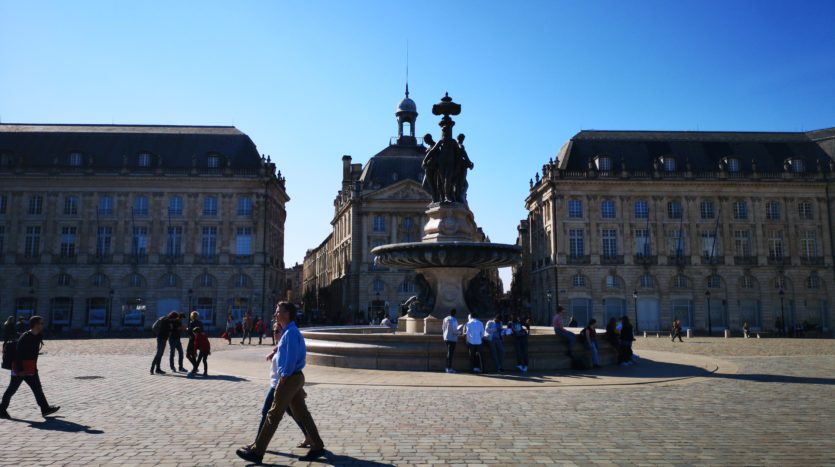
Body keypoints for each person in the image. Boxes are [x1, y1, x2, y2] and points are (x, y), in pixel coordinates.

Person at [236, 302, 325, 464]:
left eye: (278, 311)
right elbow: (288, 350)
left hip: (289, 378)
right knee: (302, 413)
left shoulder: (290, 333)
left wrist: (284, 377)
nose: (276, 314)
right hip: (295, 377)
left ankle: (257, 451)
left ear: (287, 314)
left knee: (273, 414)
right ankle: (317, 445)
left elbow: (290, 357)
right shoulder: (289, 332)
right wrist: (276, 351)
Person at [253, 317, 310, 448]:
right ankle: (310, 437)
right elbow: (280, 349)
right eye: (274, 331)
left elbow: (289, 361)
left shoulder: (287, 341)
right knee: (294, 412)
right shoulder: (280, 346)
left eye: (278, 331)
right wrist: (273, 352)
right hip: (278, 384)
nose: (275, 333)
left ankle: (257, 444)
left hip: (280, 385)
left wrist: (285, 378)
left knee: (266, 412)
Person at [1, 316, 60, 419]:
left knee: (37, 389)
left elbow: (34, 355)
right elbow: (18, 354)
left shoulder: (38, 336)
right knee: (12, 389)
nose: (42, 325)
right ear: (35, 324)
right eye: (41, 323)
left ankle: (45, 409)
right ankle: (1, 410)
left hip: (31, 368)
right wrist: (20, 370)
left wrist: (34, 368)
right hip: (20, 368)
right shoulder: (25, 337)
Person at [442, 309, 460, 374]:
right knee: (450, 353)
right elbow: (454, 330)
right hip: (452, 338)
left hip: (446, 337)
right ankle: (449, 368)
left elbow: (443, 327)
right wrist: (459, 332)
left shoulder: (445, 319)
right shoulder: (454, 320)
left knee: (449, 352)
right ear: (455, 313)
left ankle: (447, 367)